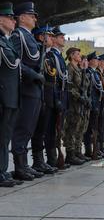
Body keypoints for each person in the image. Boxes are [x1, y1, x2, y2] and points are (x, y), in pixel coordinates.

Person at [11, 2, 44, 181]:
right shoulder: (18, 35)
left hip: (35, 90)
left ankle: (24, 165)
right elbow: (15, 62)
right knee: (22, 128)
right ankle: (19, 167)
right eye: (31, 15)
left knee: (29, 128)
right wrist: (33, 74)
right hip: (25, 88)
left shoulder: (30, 37)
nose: (34, 18)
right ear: (22, 17)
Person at [0, 2, 23, 187]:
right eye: (10, 17)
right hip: (2, 95)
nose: (13, 21)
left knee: (5, 136)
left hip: (11, 96)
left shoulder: (7, 42)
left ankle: (2, 170)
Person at [30, 25, 58, 174]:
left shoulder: (48, 56)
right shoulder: (40, 54)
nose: (52, 39)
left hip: (48, 96)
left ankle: (40, 161)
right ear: (41, 37)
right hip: (39, 94)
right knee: (36, 130)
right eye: (49, 36)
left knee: (43, 130)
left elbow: (52, 79)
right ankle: (37, 161)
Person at [47, 26, 70, 169]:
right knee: (50, 129)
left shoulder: (59, 56)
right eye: (61, 37)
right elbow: (53, 79)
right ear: (54, 39)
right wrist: (57, 99)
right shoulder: (51, 56)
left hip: (61, 96)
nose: (63, 39)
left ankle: (55, 158)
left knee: (58, 130)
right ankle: (51, 159)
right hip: (55, 96)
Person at [63, 47, 89, 165]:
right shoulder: (70, 68)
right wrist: (79, 97)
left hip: (79, 103)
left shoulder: (78, 69)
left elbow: (83, 86)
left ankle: (76, 152)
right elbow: (69, 86)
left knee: (78, 128)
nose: (80, 56)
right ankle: (70, 154)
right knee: (71, 129)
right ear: (72, 56)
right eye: (78, 54)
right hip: (73, 103)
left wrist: (83, 70)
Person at [83, 51, 103, 160]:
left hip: (96, 104)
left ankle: (95, 150)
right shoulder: (88, 72)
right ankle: (88, 150)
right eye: (95, 59)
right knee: (88, 128)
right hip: (90, 103)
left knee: (95, 128)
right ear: (90, 61)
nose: (97, 61)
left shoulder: (95, 73)